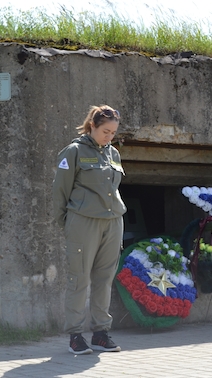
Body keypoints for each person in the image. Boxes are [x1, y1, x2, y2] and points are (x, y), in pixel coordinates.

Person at [52, 105, 127, 354]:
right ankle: (75, 335)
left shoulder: (113, 154)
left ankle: (100, 333)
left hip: (113, 220)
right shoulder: (73, 152)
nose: (109, 136)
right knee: (79, 278)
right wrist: (67, 224)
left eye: (113, 132)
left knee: (104, 279)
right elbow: (60, 191)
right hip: (83, 221)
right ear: (92, 126)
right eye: (105, 131)